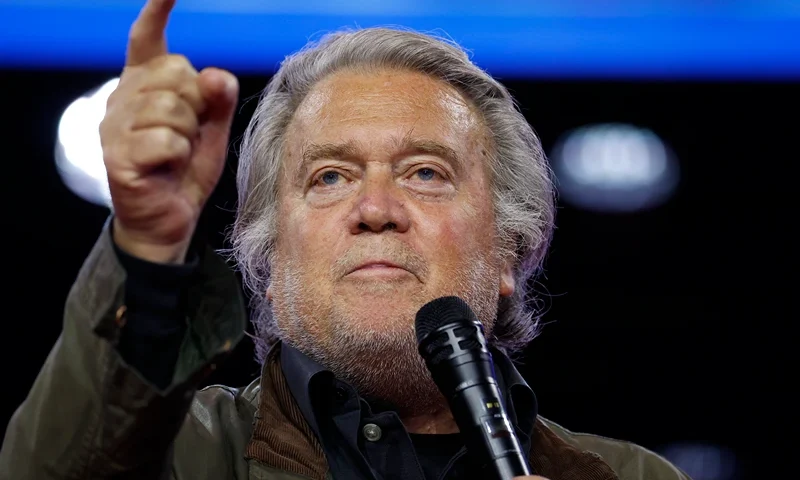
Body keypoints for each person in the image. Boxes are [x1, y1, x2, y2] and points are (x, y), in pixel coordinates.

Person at [0, 0, 690, 479]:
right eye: (330, 176)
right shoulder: (168, 457)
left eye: (425, 172)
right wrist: (148, 244)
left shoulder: (628, 477)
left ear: (509, 248)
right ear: (268, 260)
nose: (376, 208)